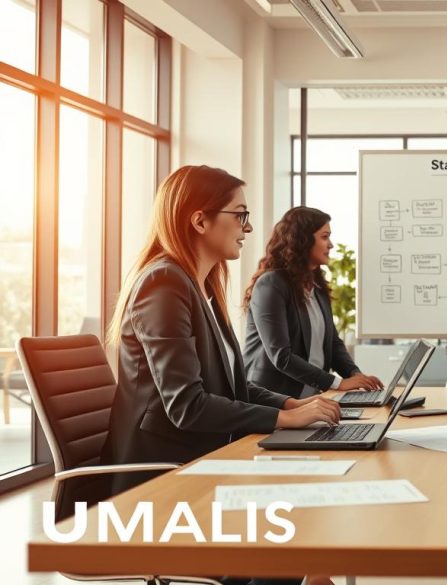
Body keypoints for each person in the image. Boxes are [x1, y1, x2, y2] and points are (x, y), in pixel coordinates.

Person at [103, 165, 341, 585]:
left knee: (310, 522)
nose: (247, 228)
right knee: (297, 532)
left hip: (199, 461)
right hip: (161, 482)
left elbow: (231, 385)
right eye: (240, 215)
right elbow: (186, 406)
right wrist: (284, 420)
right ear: (200, 220)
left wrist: (290, 404)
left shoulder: (199, 284)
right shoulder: (163, 284)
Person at [243, 206, 383, 398]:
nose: (331, 245)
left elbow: (333, 343)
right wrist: (338, 383)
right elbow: (281, 357)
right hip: (269, 401)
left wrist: (355, 375)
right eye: (324, 237)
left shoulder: (316, 286)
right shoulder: (271, 284)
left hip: (309, 400)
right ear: (303, 240)